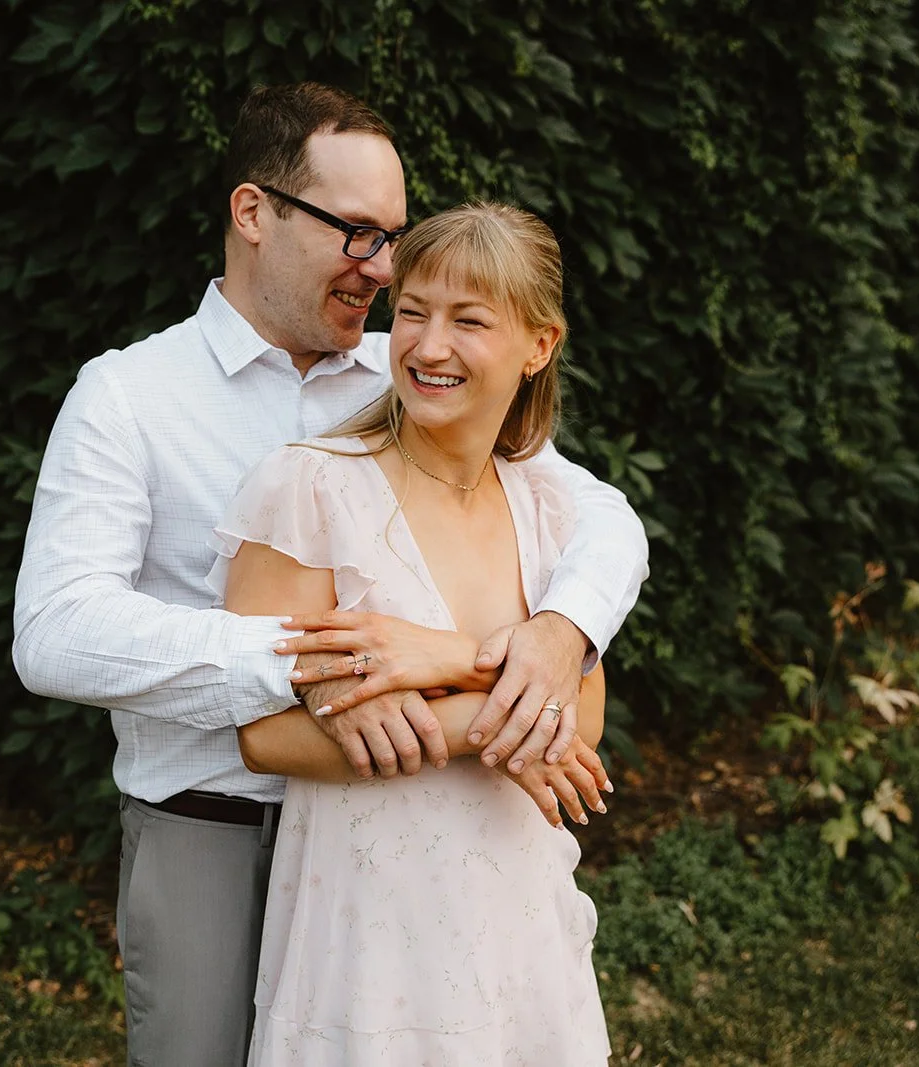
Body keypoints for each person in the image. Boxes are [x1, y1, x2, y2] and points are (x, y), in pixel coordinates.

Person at [12, 83, 647, 1067]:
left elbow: (596, 517)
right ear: (253, 211)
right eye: (357, 232)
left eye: (391, 237)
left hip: (413, 823)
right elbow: (55, 630)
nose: (384, 268)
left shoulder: (414, 366)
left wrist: (558, 631)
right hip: (211, 822)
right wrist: (315, 662)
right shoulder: (129, 398)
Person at [213, 202, 611, 1064]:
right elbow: (264, 732)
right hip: (370, 925)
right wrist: (495, 720)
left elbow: (583, 721)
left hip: (518, 916)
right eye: (416, 311)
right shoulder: (310, 489)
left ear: (539, 345)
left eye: (470, 320)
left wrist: (438, 663)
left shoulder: (548, 505)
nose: (428, 347)